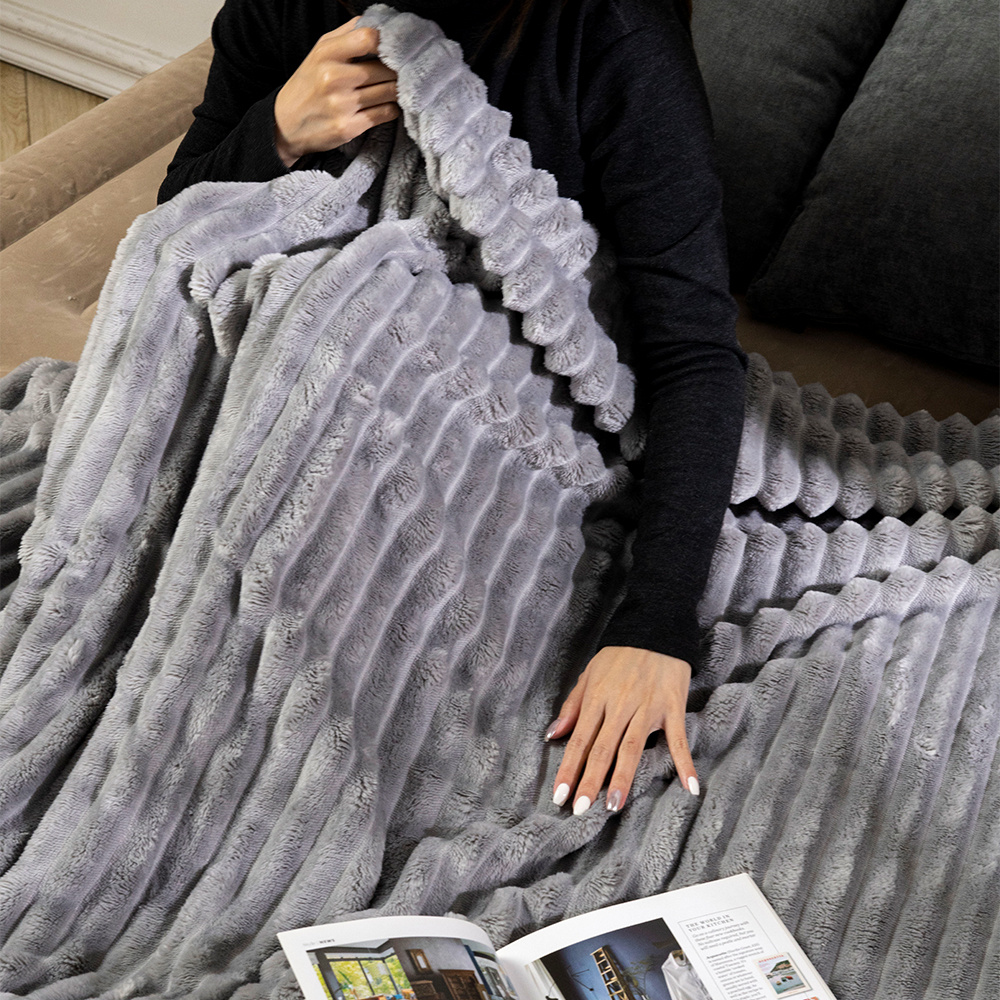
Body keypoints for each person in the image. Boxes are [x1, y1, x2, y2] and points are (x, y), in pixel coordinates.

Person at [158, 0, 747, 818]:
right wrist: (279, 131)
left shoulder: (616, 34)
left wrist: (655, 627)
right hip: (281, 369)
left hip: (505, 403)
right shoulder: (286, 8)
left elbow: (695, 352)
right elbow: (173, 224)